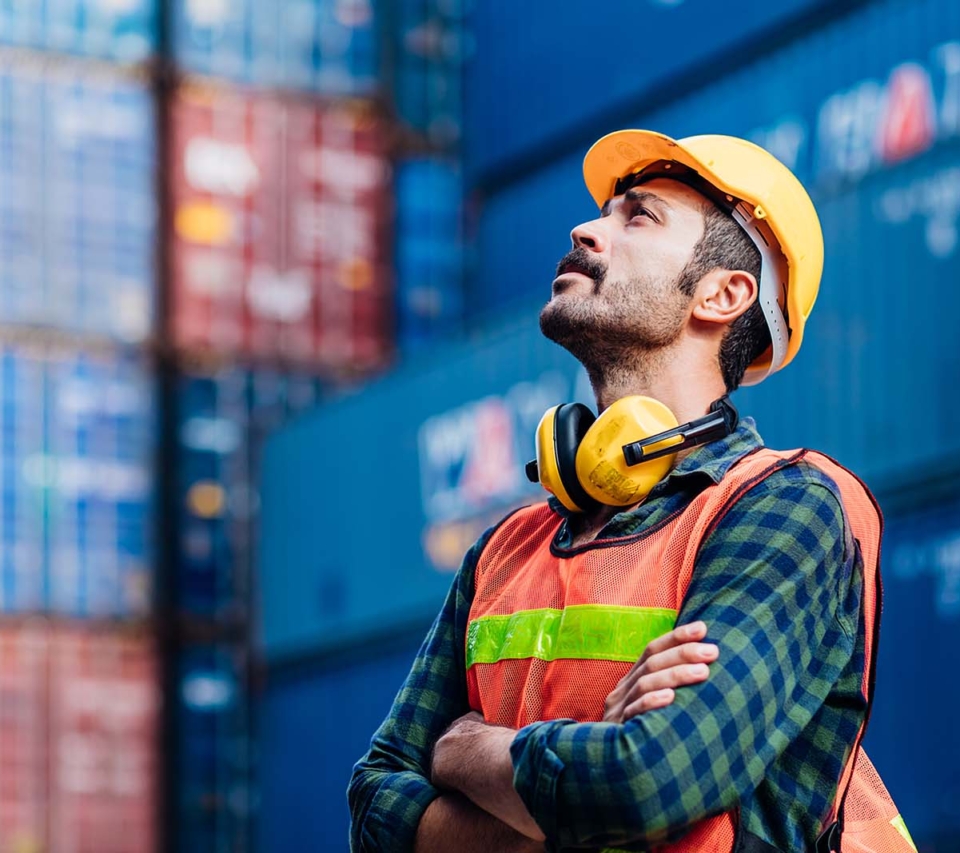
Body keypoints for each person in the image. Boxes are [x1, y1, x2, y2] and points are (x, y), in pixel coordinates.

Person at [348, 131, 909, 853]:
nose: (586, 228)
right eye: (603, 213)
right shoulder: (503, 548)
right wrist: (575, 787)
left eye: (636, 216)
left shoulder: (786, 506)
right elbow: (373, 803)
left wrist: (466, 753)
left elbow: (647, 782)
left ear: (723, 293)